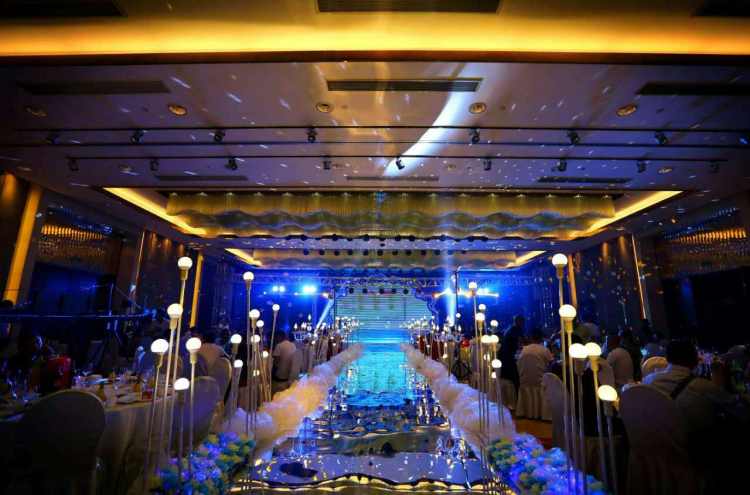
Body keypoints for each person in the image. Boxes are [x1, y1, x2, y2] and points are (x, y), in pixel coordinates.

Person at [499, 314, 524, 390]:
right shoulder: (515, 330)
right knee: (519, 378)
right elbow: (519, 344)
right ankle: (517, 394)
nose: (523, 324)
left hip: (504, 360)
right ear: (519, 322)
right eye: (522, 322)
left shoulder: (510, 329)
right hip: (509, 361)